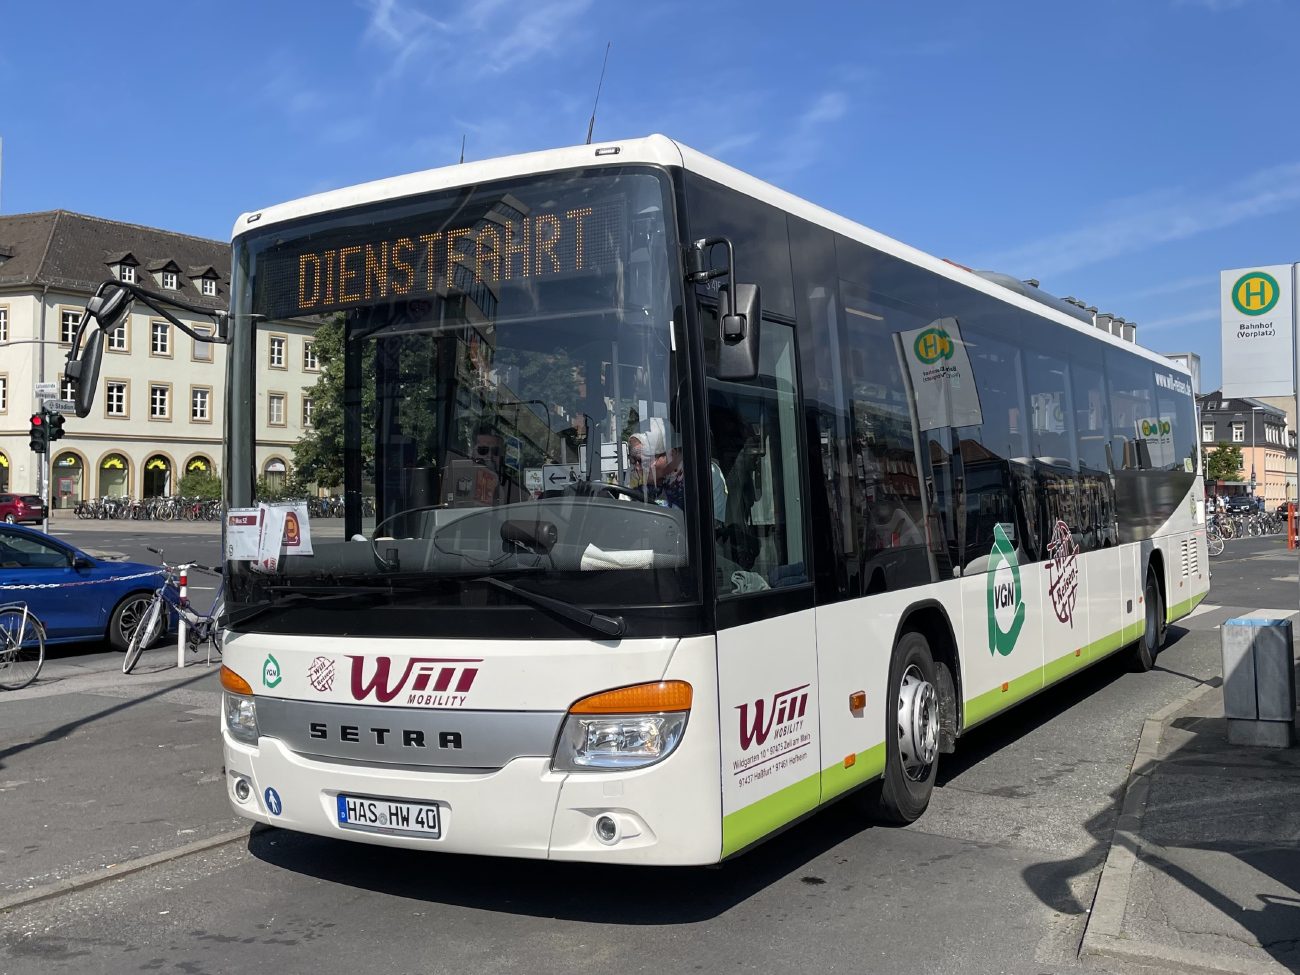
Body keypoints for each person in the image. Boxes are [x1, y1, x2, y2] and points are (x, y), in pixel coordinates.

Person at [629, 417, 684, 510]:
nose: (638, 468)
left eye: (645, 462)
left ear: (670, 455)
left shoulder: (700, 474)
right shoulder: (635, 470)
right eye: (634, 459)